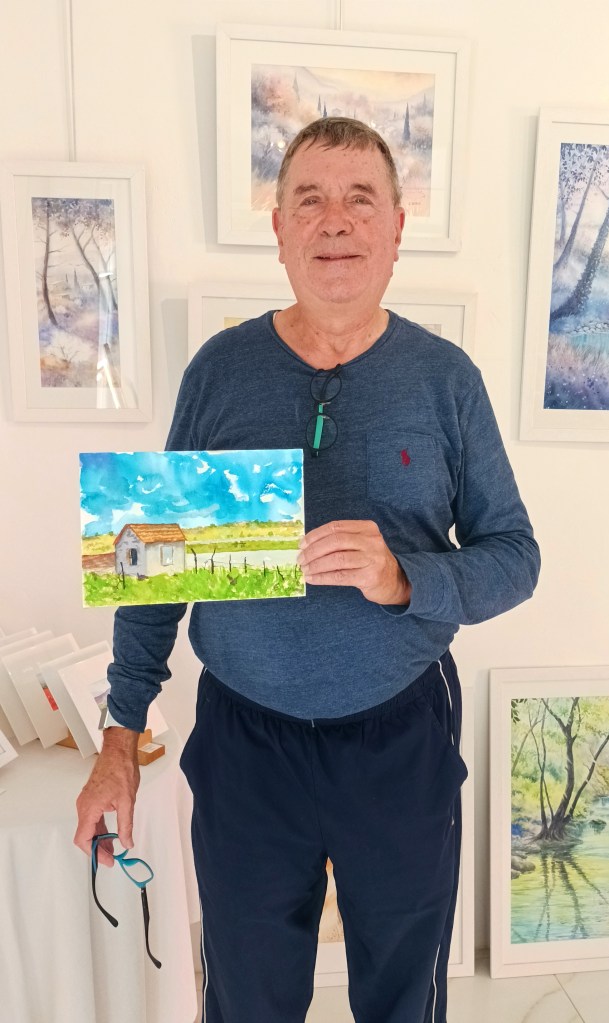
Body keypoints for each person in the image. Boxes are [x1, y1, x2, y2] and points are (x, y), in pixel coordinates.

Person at [74, 117, 540, 1023]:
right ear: (280, 230)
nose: (336, 221)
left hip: (401, 736)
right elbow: (150, 561)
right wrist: (117, 742)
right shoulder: (219, 371)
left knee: (403, 998)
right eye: (310, 200)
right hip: (244, 743)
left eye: (360, 200)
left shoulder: (446, 379)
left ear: (395, 228)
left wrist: (407, 578)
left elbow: (515, 557)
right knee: (246, 998)